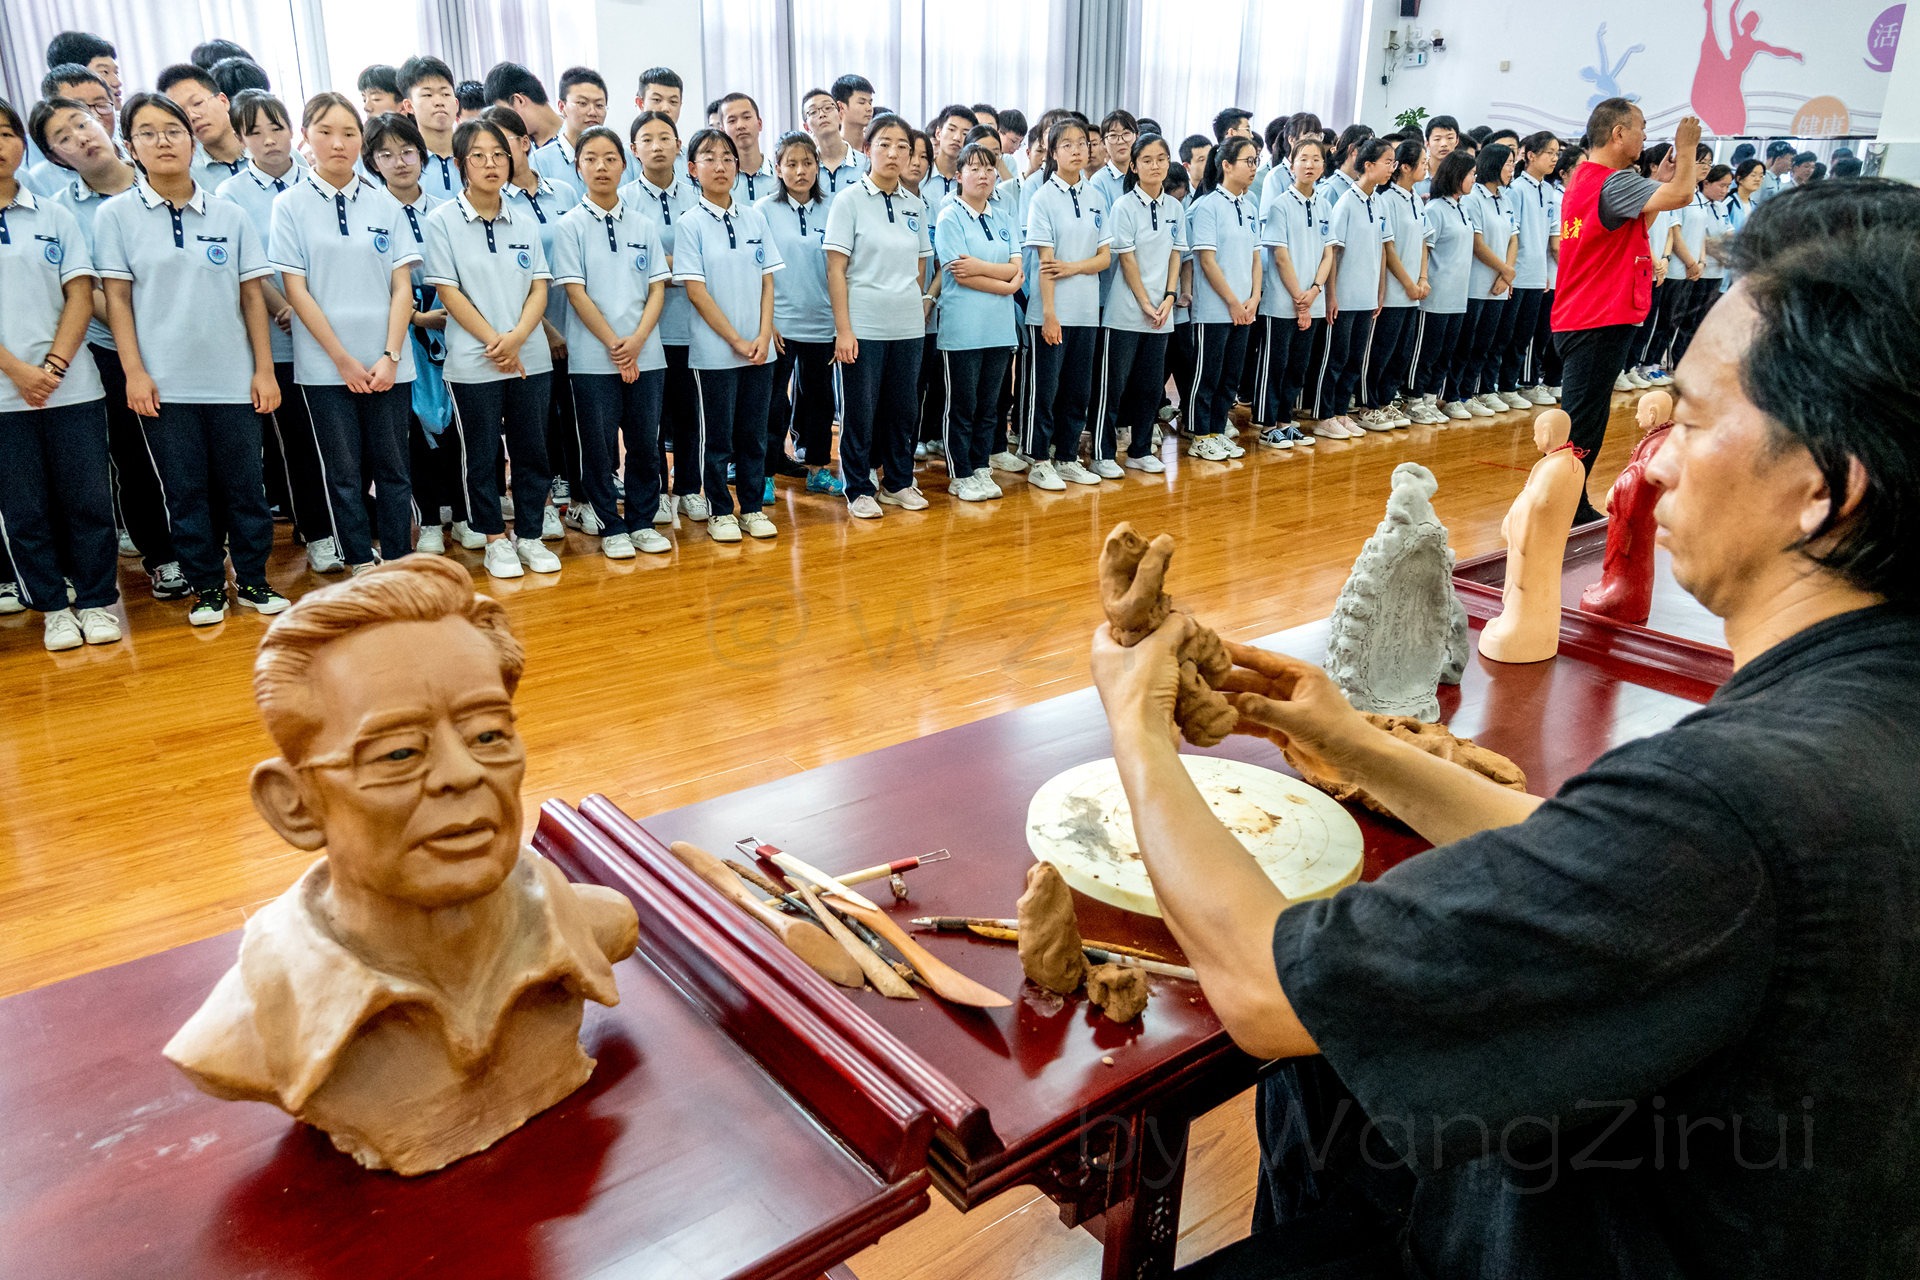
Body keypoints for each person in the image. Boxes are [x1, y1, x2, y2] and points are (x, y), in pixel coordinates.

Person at [1096, 178, 1920, 1280]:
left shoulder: (1737, 802)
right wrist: (1356, 742)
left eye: (1693, 414)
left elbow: (1262, 984)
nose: (1655, 455)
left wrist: (1136, 726)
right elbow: (1594, 862)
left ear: (1826, 488)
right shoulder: (1861, 717)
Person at [96, 91, 289, 626]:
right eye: (148, 132)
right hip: (165, 385)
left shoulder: (228, 213)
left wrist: (264, 369)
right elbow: (117, 301)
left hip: (233, 381)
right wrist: (134, 372)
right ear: (131, 145)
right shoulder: (116, 217)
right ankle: (206, 587)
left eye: (174, 130)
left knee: (246, 489)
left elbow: (254, 297)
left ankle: (251, 580)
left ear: (191, 139)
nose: (164, 141)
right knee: (185, 492)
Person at [34, 94, 187, 600]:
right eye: (63, 136)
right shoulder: (59, 213)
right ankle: (163, 558)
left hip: (188, 341)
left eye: (82, 122)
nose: (80, 136)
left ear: (103, 124)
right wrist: (137, 334)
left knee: (193, 453)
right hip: (112, 351)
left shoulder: (165, 178)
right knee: (137, 455)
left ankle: (204, 550)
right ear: (56, 157)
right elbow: (87, 287)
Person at [272, 93, 419, 575]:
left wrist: (391, 354)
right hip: (325, 366)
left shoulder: (384, 202)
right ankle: (359, 560)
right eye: (325, 132)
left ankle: (398, 559)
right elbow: (297, 290)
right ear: (305, 138)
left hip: (388, 363)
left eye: (349, 133)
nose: (338, 143)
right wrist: (341, 359)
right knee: (343, 475)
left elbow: (402, 286)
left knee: (395, 471)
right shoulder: (289, 205)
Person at [0, 97, 123, 652]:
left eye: (5, 134)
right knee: (25, 509)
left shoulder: (53, 214)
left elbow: (80, 291)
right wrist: (18, 371)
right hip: (5, 394)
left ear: (21, 145)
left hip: (72, 385)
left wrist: (50, 367)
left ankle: (97, 601)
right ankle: (51, 605)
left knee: (89, 501)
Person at [422, 117, 559, 580]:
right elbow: (448, 291)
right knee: (479, 455)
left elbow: (540, 286)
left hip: (531, 358)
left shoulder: (524, 218)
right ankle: (493, 538)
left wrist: (519, 336)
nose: (490, 163)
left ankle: (532, 535)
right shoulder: (441, 221)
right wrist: (494, 341)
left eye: (499, 154)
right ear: (462, 164)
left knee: (532, 451)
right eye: (478, 155)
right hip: (473, 362)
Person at [1552, 99, 1700, 522]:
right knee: (1582, 423)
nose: (1645, 137)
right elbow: (1684, 194)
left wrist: (1656, 181)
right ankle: (1565, 504)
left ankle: (1572, 502)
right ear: (1618, 134)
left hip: (1588, 313)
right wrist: (1686, 148)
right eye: (1641, 128)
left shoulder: (1587, 177)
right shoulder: (1613, 182)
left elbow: (1627, 227)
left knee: (1587, 419)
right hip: (1596, 317)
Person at [217, 89, 342, 574]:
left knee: (337, 445)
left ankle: (345, 525)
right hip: (280, 337)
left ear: (294, 131)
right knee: (297, 445)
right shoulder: (230, 196)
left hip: (330, 334)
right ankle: (316, 531)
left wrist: (309, 308)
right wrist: (284, 305)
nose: (269, 140)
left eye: (277, 128)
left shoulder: (321, 183)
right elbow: (249, 268)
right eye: (255, 132)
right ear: (240, 138)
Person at [551, 124, 672, 557]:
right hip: (592, 358)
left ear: (624, 163)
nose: (601, 167)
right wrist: (616, 345)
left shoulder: (643, 223)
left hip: (648, 354)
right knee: (598, 448)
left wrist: (638, 340)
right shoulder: (570, 226)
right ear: (579, 166)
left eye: (610, 158)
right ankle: (610, 524)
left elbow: (657, 286)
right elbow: (575, 291)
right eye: (591, 159)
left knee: (645, 444)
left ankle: (641, 521)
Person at [363, 111, 465, 556]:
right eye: (386, 154)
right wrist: (416, 321)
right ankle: (424, 522)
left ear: (422, 155)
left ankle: (462, 514)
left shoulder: (448, 207)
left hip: (453, 319)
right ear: (373, 162)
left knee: (460, 426)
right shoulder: (371, 209)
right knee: (410, 432)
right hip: (398, 328)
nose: (399, 162)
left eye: (407, 151)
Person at [674, 127, 781, 542]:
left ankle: (752, 508)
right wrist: (737, 340)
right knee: (717, 438)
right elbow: (696, 292)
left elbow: (769, 281)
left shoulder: (755, 217)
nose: (720, 166)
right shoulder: (690, 224)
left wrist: (763, 334)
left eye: (727, 158)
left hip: (760, 350)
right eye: (709, 157)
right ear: (693, 168)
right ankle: (721, 510)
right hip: (715, 353)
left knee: (753, 435)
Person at [824, 112, 933, 519]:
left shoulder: (914, 205)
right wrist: (844, 329)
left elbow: (920, 266)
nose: (893, 153)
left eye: (902, 146)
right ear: (867, 149)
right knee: (860, 412)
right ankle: (858, 487)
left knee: (903, 411)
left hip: (906, 326)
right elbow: (835, 269)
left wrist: (907, 301)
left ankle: (898, 482)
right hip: (863, 326)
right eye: (884, 144)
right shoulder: (849, 200)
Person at [483, 105, 580, 541]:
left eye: (507, 144)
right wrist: (543, 328)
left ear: (525, 144)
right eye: (487, 150)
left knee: (574, 415)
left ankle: (577, 495)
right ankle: (538, 505)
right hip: (528, 331)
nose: (497, 157)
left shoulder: (563, 191)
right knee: (533, 426)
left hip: (577, 319)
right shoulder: (497, 205)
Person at [932, 140, 1022, 500]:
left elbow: (1018, 268)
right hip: (963, 330)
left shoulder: (1002, 215)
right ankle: (961, 473)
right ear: (959, 175)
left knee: (990, 406)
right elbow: (960, 273)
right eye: (974, 168)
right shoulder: (949, 215)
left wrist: (992, 272)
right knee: (962, 406)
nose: (983, 175)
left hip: (998, 329)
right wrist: (1004, 282)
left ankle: (982, 466)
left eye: (989, 168)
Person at [757, 132, 842, 497]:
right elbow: (757, 270)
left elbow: (843, 268)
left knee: (822, 402)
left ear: (818, 166)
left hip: (823, 323)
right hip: (781, 325)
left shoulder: (834, 208)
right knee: (773, 403)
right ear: (778, 169)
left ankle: (819, 469)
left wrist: (842, 322)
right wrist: (768, 321)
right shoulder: (763, 210)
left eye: (807, 163)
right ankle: (765, 475)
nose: (800, 170)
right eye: (791, 163)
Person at [1096, 133, 1184, 472]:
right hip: (1127, 312)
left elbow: (1176, 255)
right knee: (1113, 387)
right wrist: (1146, 303)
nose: (1155, 165)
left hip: (1162, 313)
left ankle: (1140, 450)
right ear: (1134, 166)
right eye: (1146, 160)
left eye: (1161, 158)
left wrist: (1170, 296)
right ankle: (1103, 454)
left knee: (1150, 387)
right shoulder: (1124, 206)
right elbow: (1127, 260)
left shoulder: (1174, 207)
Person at [1183, 135, 1261, 460]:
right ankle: (1201, 435)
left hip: (1245, 308)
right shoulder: (1207, 206)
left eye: (1256, 161)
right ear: (1226, 165)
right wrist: (1232, 301)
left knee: (1230, 377)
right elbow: (1206, 260)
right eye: (1248, 161)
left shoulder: (1251, 205)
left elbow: (1257, 258)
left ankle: (1217, 430)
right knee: (1208, 376)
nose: (1254, 167)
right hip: (1216, 310)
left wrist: (1254, 298)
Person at [1253, 136, 1334, 439]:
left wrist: (1314, 290)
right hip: (1281, 301)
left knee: (1298, 366)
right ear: (1291, 164)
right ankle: (1267, 424)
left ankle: (1285, 420)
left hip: (1311, 298)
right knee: (1276, 364)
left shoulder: (1325, 204)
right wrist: (1299, 296)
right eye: (1303, 159)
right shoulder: (1280, 205)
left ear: (1323, 165)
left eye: (1316, 159)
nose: (1310, 164)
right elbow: (1280, 255)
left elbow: (1328, 252)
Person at [1368, 138, 1437, 425]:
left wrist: (1422, 278)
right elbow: (1389, 248)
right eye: (1422, 163)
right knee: (1382, 351)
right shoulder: (1387, 200)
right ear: (1405, 167)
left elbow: (1423, 241)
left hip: (1413, 291)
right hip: (1395, 291)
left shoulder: (1415, 200)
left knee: (1402, 351)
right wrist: (1408, 283)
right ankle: (1371, 404)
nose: (1426, 167)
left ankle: (1386, 401)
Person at [1409, 150, 1478, 423]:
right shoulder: (1435, 209)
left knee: (1445, 353)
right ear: (1457, 175)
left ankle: (1430, 398)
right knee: (1427, 352)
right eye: (1471, 174)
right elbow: (1424, 247)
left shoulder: (1461, 207)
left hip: (1458, 296)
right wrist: (1423, 279)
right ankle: (1414, 399)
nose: (1474, 179)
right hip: (1436, 295)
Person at [1454, 143, 1520, 419]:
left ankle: (1474, 391)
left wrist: (1507, 272)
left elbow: (1514, 237)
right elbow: (1477, 243)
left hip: (1499, 285)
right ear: (1492, 164)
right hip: (1476, 284)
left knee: (1487, 343)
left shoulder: (1505, 198)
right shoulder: (1473, 197)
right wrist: (1505, 270)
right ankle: (1455, 395)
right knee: (1466, 343)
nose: (1511, 168)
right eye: (1507, 163)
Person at [1503, 131, 1561, 406]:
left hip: (1539, 275)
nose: (1554, 158)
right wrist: (1509, 271)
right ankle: (1507, 385)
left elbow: (1553, 236)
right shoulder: (1516, 190)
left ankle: (1525, 383)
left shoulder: (1547, 190)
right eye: (1549, 152)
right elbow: (1511, 235)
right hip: (1519, 273)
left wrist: (1548, 274)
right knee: (1513, 335)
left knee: (1534, 332)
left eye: (1556, 153)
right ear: (1531, 155)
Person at [157, 63, 247, 190]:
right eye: (181, 112)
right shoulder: (187, 176)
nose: (192, 116)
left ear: (223, 101)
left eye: (197, 103)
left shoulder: (266, 147)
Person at [399, 57, 462, 198]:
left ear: (456, 103)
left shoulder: (473, 156)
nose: (439, 102)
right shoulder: (404, 164)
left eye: (445, 94)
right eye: (427, 94)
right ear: (409, 106)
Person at [802, 87, 864, 195]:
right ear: (806, 127)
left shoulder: (865, 164)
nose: (822, 114)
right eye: (813, 112)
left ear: (840, 115)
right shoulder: (805, 169)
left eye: (827, 108)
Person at [717, 94, 776, 205]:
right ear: (722, 131)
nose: (740, 125)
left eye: (747, 117)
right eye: (732, 120)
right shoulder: (719, 179)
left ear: (759, 124)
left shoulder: (780, 176)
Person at [1413, 114, 1459, 199]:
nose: (1444, 144)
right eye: (1437, 139)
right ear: (1427, 143)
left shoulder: (1463, 174)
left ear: (1457, 141)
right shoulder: (1415, 174)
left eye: (1450, 138)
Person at [831, 75, 876, 153]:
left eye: (870, 103)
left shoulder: (874, 148)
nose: (869, 108)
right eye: (862, 102)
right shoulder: (830, 150)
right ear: (841, 107)